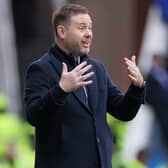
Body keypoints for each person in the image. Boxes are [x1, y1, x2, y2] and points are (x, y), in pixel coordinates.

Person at [24, 3, 145, 168]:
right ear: (62, 31)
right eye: (82, 28)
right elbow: (33, 116)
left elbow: (123, 111)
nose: (89, 34)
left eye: (90, 28)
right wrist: (60, 91)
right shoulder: (41, 69)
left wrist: (137, 88)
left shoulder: (97, 69)